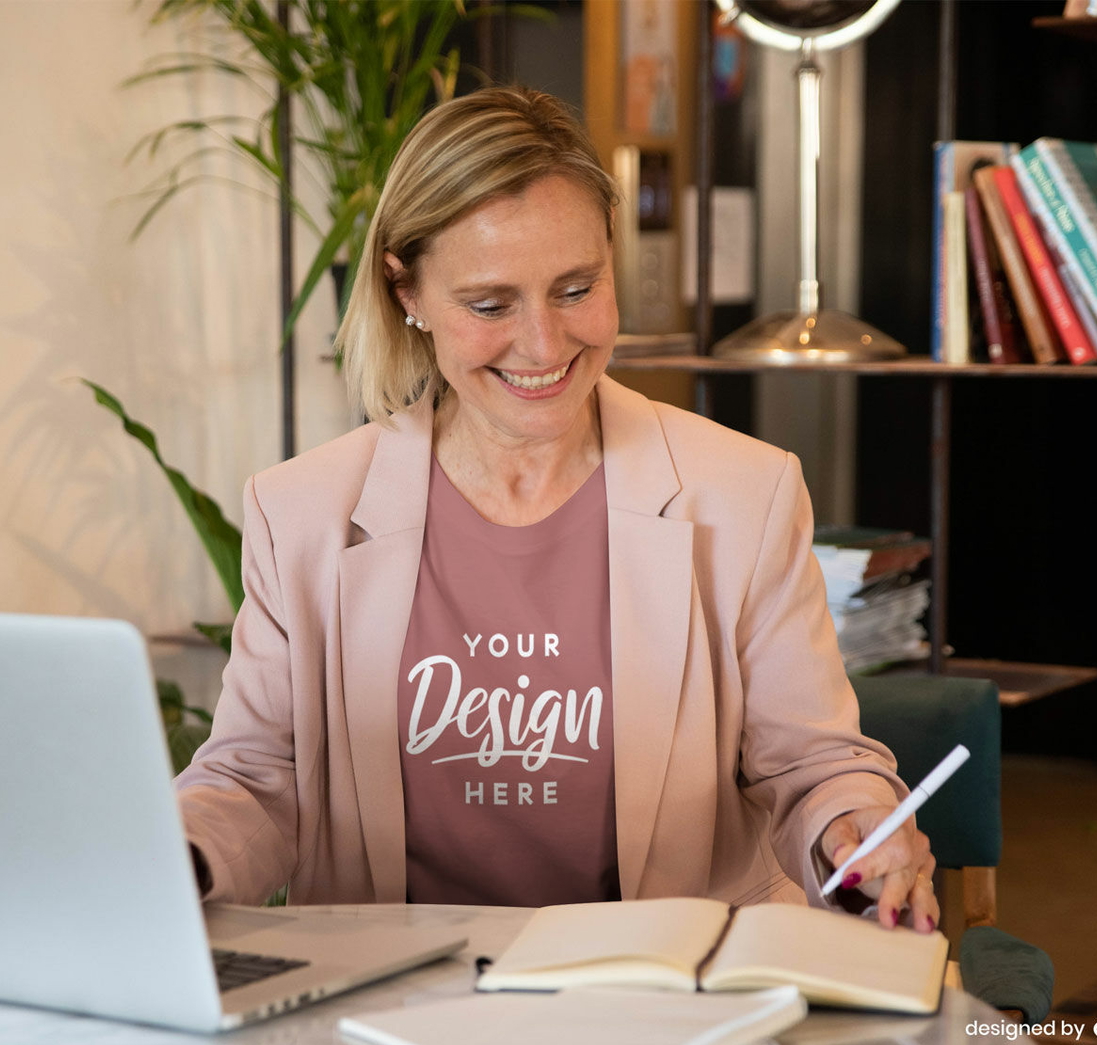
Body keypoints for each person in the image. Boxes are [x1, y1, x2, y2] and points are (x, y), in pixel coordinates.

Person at [176, 86, 938, 932]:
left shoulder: (744, 491)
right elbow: (254, 780)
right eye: (490, 305)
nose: (544, 346)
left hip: (664, 996)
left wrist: (854, 822)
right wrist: (179, 850)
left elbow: (814, 760)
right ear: (407, 292)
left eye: (576, 289)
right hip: (390, 1004)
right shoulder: (302, 513)